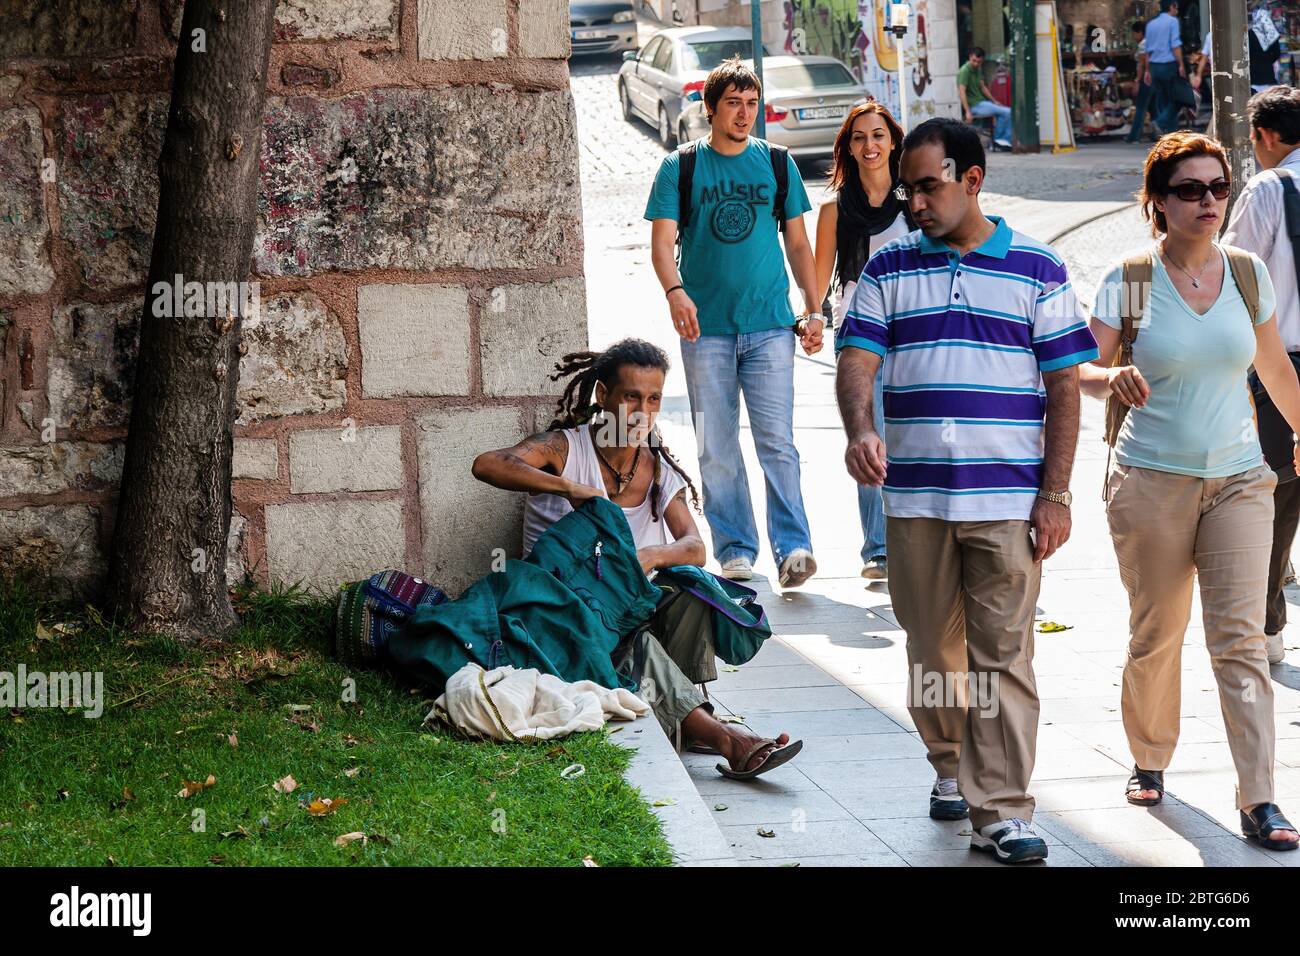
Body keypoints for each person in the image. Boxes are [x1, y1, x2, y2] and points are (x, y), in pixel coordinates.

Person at [835, 117, 1098, 863]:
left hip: (1008, 502)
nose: (913, 202)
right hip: (915, 501)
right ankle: (950, 762)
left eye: (927, 186)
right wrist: (860, 429)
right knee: (931, 650)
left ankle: (1003, 809)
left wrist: (1057, 495)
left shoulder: (1038, 270)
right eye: (910, 188)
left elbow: (1065, 388)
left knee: (1003, 655)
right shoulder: (889, 269)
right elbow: (858, 362)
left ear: (971, 179)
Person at [1079, 132, 1300, 851]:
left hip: (1239, 478)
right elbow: (1078, 365)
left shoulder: (1245, 274)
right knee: (1157, 631)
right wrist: (1108, 377)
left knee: (1238, 640)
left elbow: (1273, 368)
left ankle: (1260, 797)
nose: (1208, 201)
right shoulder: (1135, 277)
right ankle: (1149, 755)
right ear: (1158, 202)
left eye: (1218, 187)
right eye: (1190, 190)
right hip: (1151, 480)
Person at [472, 338, 803, 779]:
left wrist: (645, 556)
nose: (642, 411)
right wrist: (570, 488)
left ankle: (691, 718)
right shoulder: (564, 450)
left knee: (689, 589)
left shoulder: (656, 466)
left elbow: (695, 546)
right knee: (637, 642)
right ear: (603, 396)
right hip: (563, 616)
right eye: (630, 396)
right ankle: (728, 739)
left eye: (653, 399)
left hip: (629, 610)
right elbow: (488, 464)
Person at [646, 57, 821, 589]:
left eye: (751, 104)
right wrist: (675, 293)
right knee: (716, 443)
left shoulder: (777, 163)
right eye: (733, 104)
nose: (745, 114)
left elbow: (797, 243)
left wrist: (813, 310)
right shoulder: (682, 167)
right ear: (710, 108)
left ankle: (794, 547)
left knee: (777, 441)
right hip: (707, 331)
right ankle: (736, 548)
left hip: (770, 323)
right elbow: (660, 246)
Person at [814, 101, 915, 580]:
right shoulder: (836, 208)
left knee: (917, 435)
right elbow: (818, 282)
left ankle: (919, 537)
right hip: (860, 333)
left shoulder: (916, 198)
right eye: (858, 138)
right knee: (868, 434)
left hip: (918, 328)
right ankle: (878, 549)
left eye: (877, 135)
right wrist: (811, 318)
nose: (869, 146)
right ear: (848, 148)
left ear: (893, 141)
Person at [1222, 86, 1300, 666]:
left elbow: (1230, 272)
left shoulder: (1268, 188)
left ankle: (1269, 625)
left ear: (1265, 137)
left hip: (1282, 365)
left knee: (1279, 492)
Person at [1143, 0, 1186, 136]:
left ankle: (1166, 134)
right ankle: (1161, 123)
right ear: (1171, 7)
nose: (1177, 11)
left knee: (1162, 100)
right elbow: (1175, 45)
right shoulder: (1172, 22)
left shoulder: (1151, 24)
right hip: (1168, 65)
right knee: (1178, 99)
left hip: (1155, 66)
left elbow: (1147, 50)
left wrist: (1147, 70)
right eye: (1176, 8)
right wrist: (1181, 64)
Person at [957, 47, 1011, 150]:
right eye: (974, 61)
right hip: (974, 106)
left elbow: (982, 87)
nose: (976, 64)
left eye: (979, 62)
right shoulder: (964, 71)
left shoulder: (978, 69)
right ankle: (999, 141)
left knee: (1004, 113)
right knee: (1007, 112)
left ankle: (999, 141)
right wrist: (968, 111)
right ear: (969, 57)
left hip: (982, 103)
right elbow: (961, 91)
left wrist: (994, 101)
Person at [1126, 21, 1154, 144]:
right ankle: (1157, 134)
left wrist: (1137, 80)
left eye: (1134, 33)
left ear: (1140, 33)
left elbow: (1142, 64)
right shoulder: (1152, 42)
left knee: (1141, 108)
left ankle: (1134, 136)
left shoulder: (1144, 44)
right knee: (1153, 108)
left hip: (1145, 79)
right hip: (1153, 78)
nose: (1133, 36)